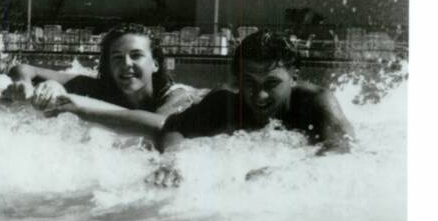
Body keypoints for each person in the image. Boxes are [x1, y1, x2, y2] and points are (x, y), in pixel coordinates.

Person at [149, 30, 356, 187]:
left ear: (294, 77)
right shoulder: (225, 101)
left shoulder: (315, 102)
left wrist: (288, 173)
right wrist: (174, 160)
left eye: (271, 84)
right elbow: (174, 125)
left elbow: (343, 148)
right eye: (249, 83)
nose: (260, 95)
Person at [6, 23, 198, 138]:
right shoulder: (101, 88)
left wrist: (81, 109)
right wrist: (24, 84)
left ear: (155, 64)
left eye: (136, 55)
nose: (126, 64)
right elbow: (24, 69)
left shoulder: (177, 95)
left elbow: (160, 125)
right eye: (117, 57)